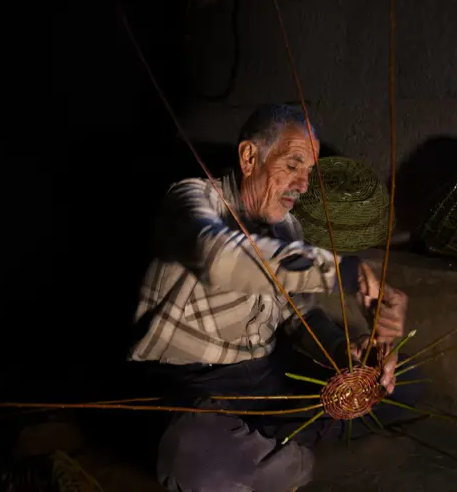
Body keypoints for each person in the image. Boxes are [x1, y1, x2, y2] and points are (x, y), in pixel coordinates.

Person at [128, 104, 423, 492]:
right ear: (250, 157)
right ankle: (274, 449)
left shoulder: (288, 226)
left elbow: (297, 313)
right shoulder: (192, 200)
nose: (302, 184)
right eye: (293, 165)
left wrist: (344, 354)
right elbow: (220, 258)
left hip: (264, 376)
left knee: (402, 384)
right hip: (189, 385)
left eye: (308, 173)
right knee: (200, 464)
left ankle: (264, 444)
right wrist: (345, 272)